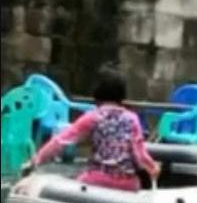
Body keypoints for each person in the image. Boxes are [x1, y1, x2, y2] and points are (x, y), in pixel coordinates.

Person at [25, 66, 160, 191]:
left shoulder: (93, 117)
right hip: (128, 183)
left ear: (97, 92)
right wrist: (153, 167)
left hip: (97, 179)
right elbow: (139, 153)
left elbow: (61, 140)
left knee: (74, 184)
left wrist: (36, 160)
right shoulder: (132, 118)